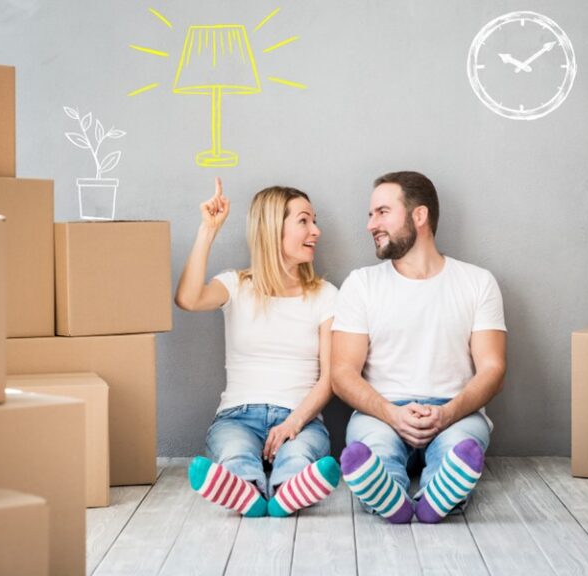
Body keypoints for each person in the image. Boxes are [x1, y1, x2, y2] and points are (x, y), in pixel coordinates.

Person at [331, 171, 507, 524]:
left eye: (382, 212)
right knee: (373, 449)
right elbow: (341, 373)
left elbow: (492, 368)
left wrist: (448, 413)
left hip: (455, 410)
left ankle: (436, 497)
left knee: (460, 449)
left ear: (419, 216)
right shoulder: (361, 284)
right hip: (380, 411)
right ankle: (389, 496)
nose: (370, 225)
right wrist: (391, 413)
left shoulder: (477, 282)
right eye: (370, 215)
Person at [175, 178, 340, 518]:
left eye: (314, 220)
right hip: (237, 417)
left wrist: (294, 423)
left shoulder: (326, 295)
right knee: (236, 453)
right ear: (273, 229)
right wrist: (208, 230)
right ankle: (246, 490)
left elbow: (330, 378)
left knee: (299, 455)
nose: (316, 231)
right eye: (304, 221)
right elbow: (188, 299)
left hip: (301, 418)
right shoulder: (235, 285)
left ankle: (285, 492)